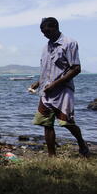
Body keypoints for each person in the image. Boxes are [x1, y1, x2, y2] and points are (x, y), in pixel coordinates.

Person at [30, 17, 89, 157]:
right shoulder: (46, 47)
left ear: (55, 27)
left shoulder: (69, 43)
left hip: (63, 91)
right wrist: (38, 83)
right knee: (46, 123)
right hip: (46, 92)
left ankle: (82, 143)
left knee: (67, 123)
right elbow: (46, 70)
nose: (45, 34)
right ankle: (52, 156)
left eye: (47, 31)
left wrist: (55, 84)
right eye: (43, 32)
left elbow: (76, 68)